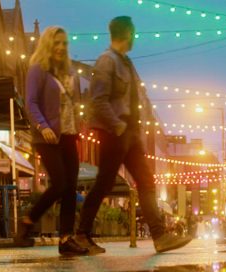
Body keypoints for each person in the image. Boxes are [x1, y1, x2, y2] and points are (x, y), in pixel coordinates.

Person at [77, 16, 191, 254]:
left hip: (130, 133)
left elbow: (135, 98)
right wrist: (117, 125)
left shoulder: (126, 63)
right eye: (133, 33)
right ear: (127, 33)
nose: (135, 37)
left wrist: (136, 129)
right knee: (104, 183)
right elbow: (97, 100)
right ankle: (81, 235)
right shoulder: (106, 61)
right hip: (114, 132)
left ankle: (160, 236)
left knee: (146, 181)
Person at [17, 26, 88, 255]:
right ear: (48, 44)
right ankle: (29, 220)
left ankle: (66, 239)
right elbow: (31, 102)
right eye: (56, 43)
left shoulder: (70, 72)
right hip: (46, 137)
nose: (60, 47)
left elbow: (74, 104)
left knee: (71, 188)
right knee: (59, 183)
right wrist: (43, 126)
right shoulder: (37, 69)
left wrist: (80, 125)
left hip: (68, 134)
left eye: (64, 43)